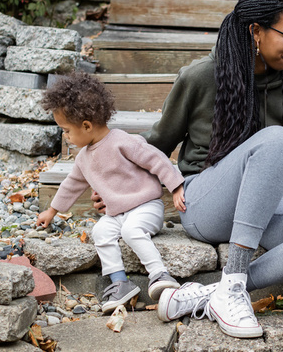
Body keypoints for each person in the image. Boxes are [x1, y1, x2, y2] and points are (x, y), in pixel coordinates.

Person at [92, 0, 283, 338]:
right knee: (278, 140)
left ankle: (216, 291)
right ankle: (232, 287)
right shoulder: (201, 77)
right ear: (256, 31)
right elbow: (157, 144)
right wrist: (118, 183)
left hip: (267, 203)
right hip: (205, 202)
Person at [36, 72, 184, 313]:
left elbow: (155, 159)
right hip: (117, 213)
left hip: (146, 206)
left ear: (86, 125)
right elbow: (72, 183)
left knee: (131, 230)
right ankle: (120, 282)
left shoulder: (122, 141)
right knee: (100, 230)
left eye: (66, 130)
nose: (65, 136)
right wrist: (52, 210)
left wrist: (176, 186)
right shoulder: (83, 158)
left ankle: (159, 274)